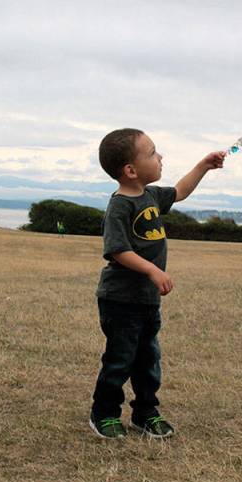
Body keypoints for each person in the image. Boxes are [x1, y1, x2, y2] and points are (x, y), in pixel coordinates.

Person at [89, 128, 225, 439]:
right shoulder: (120, 205)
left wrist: (203, 165)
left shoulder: (151, 196)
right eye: (152, 153)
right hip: (120, 299)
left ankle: (145, 412)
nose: (160, 156)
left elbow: (180, 191)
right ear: (131, 170)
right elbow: (117, 249)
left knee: (148, 359)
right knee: (120, 359)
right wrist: (152, 270)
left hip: (147, 300)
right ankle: (105, 413)